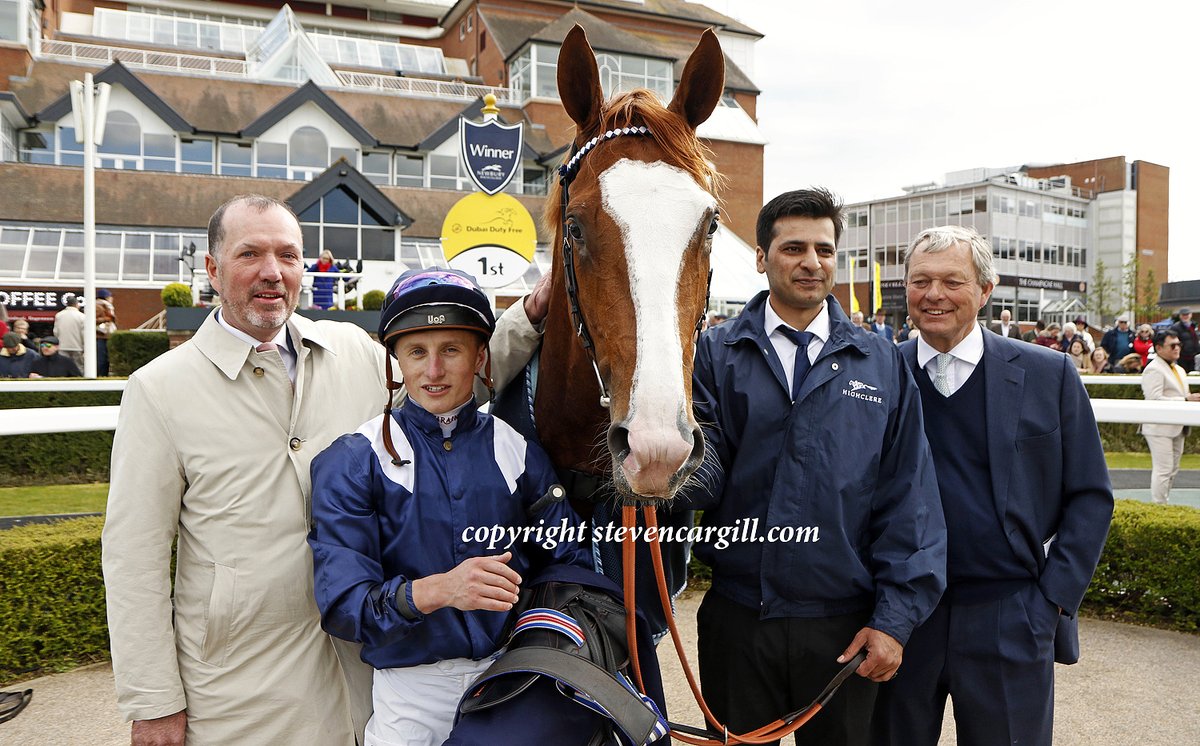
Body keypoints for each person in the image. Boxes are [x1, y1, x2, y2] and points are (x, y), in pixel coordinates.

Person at [101, 195, 549, 745]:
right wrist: (153, 701)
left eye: (288, 255)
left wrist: (528, 315)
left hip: (363, 667)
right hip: (239, 686)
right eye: (251, 254)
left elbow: (444, 372)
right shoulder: (159, 388)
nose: (272, 272)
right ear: (213, 270)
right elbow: (133, 556)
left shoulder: (350, 349)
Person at [688, 188, 947, 746]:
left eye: (825, 250)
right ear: (762, 257)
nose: (812, 262)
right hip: (739, 620)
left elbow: (910, 500)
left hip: (845, 627)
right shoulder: (714, 354)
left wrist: (893, 622)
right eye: (794, 248)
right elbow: (702, 479)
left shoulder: (881, 362)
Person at [309, 268, 592, 746]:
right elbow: (343, 605)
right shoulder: (351, 460)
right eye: (417, 352)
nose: (433, 371)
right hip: (409, 698)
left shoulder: (518, 450)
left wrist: (536, 641)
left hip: (510, 681)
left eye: (452, 351)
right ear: (395, 359)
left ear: (480, 356)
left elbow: (569, 565)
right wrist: (439, 590)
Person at [874, 225, 1114, 746]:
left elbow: (1090, 496)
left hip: (1011, 613)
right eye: (921, 281)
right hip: (901, 619)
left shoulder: (1048, 374)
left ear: (986, 290)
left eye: (952, 281)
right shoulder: (879, 375)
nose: (934, 294)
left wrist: (1051, 600)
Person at [1140, 330, 1200, 504]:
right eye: (1172, 345)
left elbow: (1182, 394)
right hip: (1159, 428)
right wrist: (1185, 399)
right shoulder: (1153, 369)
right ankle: (1159, 507)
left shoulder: (1179, 369)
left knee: (1172, 469)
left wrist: (1188, 399)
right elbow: (1153, 398)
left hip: (1178, 426)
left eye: (1179, 344)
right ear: (1158, 348)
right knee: (1164, 469)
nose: (1177, 348)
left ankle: (1163, 503)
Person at [53, 294, 86, 370]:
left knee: (62, 367)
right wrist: (84, 346)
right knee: (78, 367)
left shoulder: (59, 315)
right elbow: (84, 333)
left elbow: (56, 332)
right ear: (76, 304)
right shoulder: (82, 316)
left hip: (62, 346)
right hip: (78, 346)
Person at [95, 289, 118, 377]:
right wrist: (106, 319)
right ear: (106, 297)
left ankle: (103, 375)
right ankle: (100, 376)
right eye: (110, 296)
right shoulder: (98, 306)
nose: (112, 298)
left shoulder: (106, 306)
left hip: (104, 336)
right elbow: (91, 320)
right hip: (100, 336)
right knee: (101, 360)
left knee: (105, 359)